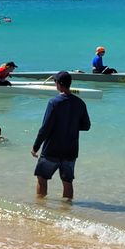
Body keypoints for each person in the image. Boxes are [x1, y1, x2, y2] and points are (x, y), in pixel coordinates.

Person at [31, 71, 91, 201]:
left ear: (58, 84)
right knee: (67, 181)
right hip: (71, 150)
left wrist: (36, 146)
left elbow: (45, 128)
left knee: (42, 178)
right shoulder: (80, 103)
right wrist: (71, 126)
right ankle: (66, 211)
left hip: (52, 149)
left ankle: (40, 207)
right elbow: (86, 126)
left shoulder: (54, 102)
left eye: (55, 82)